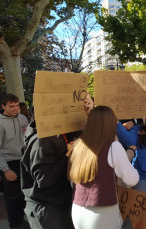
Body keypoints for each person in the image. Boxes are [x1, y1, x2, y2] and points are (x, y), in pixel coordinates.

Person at [21, 96, 94, 229]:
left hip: (62, 203)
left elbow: (90, 137)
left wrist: (90, 114)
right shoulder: (42, 139)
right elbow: (44, 178)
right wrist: (68, 155)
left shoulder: (63, 133)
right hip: (48, 208)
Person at [68, 106, 139, 229]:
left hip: (78, 209)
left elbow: (72, 180)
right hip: (102, 211)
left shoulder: (78, 145)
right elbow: (132, 179)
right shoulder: (113, 147)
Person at [0, 93, 29, 229]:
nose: (16, 109)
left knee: (24, 194)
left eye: (17, 105)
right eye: (11, 106)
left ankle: (21, 220)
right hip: (9, 164)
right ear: (3, 106)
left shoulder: (23, 118)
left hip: (24, 161)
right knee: (12, 198)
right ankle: (15, 224)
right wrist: (6, 170)